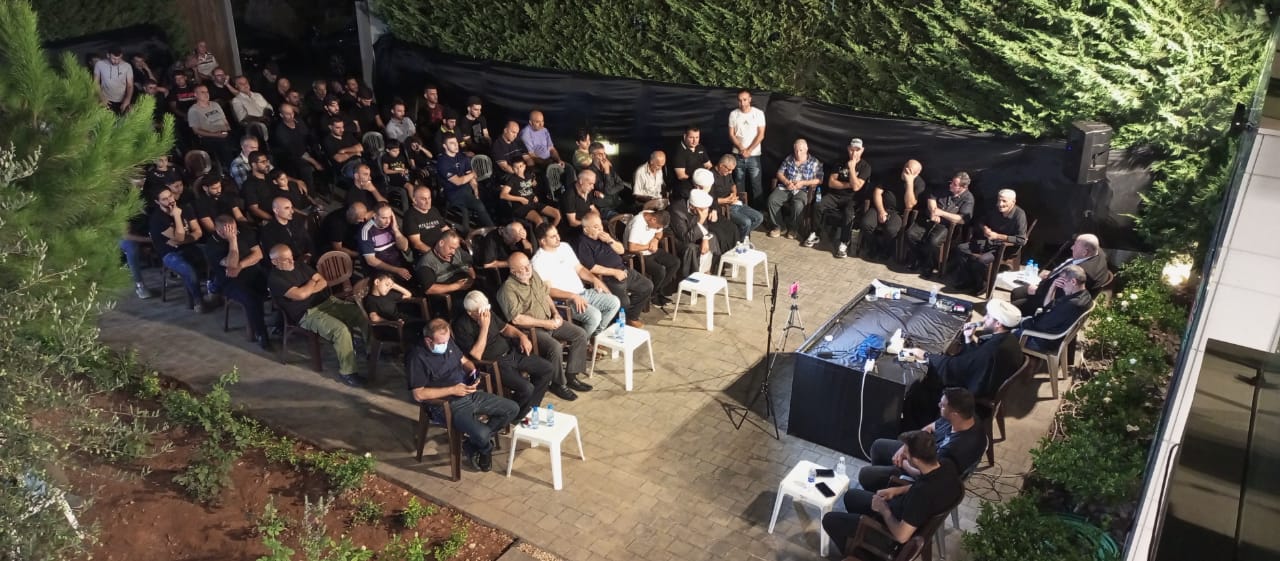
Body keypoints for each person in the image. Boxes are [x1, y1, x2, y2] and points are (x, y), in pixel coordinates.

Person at [821, 430, 963, 556]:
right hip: (900, 510)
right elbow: (921, 483)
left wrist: (883, 509)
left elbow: (902, 536)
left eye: (906, 454)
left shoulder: (922, 495)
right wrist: (897, 490)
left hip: (891, 537)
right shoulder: (945, 465)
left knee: (829, 520)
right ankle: (858, 530)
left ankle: (859, 553)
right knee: (851, 497)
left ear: (916, 459)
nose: (904, 455)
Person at [406, 319, 519, 472]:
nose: (445, 345)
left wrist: (473, 373)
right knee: (482, 433)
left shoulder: (448, 343)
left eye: (447, 341)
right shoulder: (417, 357)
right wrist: (453, 390)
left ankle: (472, 443)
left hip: (468, 393)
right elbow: (418, 394)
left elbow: (465, 361)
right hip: (447, 405)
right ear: (428, 340)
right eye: (441, 343)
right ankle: (485, 448)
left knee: (512, 408)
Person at [901, 299, 1025, 427]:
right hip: (990, 382)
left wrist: (925, 355)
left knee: (920, 388)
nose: (984, 318)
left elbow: (955, 368)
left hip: (978, 393)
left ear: (998, 323)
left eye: (988, 317)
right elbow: (975, 360)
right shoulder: (1009, 339)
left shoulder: (991, 351)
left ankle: (914, 426)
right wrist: (968, 338)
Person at [268, 244, 370, 387]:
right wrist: (312, 282)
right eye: (286, 260)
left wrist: (308, 289)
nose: (291, 261)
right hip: (307, 313)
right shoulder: (275, 279)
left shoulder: (300, 265)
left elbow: (322, 281)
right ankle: (348, 372)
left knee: (362, 314)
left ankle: (371, 352)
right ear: (274, 262)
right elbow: (301, 295)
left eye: (291, 257)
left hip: (327, 302)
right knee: (340, 330)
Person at [497, 252, 592, 399]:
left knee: (580, 334)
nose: (527, 270)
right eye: (522, 268)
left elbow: (546, 294)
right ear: (513, 271)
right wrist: (545, 324)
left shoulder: (533, 275)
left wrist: (555, 313)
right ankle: (558, 384)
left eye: (528, 265)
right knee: (555, 347)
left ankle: (572, 376)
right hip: (532, 330)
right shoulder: (508, 289)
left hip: (549, 320)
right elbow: (517, 319)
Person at [858, 388, 986, 492]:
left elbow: (923, 473)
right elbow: (930, 428)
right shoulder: (964, 417)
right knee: (878, 446)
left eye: (942, 406)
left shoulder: (954, 450)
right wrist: (906, 447)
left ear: (955, 415)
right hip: (921, 454)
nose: (939, 405)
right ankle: (881, 484)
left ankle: (883, 491)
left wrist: (903, 460)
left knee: (865, 475)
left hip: (923, 478)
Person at [453, 291, 554, 422]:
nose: (485, 313)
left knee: (547, 369)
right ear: (470, 313)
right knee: (526, 388)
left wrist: (521, 336)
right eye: (481, 311)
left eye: (487, 308)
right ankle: (515, 415)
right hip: (494, 364)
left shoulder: (488, 313)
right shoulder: (462, 326)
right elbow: (476, 355)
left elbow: (505, 328)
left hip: (512, 353)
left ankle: (528, 410)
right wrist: (484, 327)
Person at [531, 223, 621, 339]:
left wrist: (594, 280)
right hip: (565, 301)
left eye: (557, 234)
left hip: (583, 292)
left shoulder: (564, 247)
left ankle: (595, 337)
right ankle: (584, 343)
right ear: (543, 241)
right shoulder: (538, 261)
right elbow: (548, 291)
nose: (558, 238)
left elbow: (580, 269)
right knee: (595, 316)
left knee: (614, 302)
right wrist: (572, 296)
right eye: (553, 236)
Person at [207, 215, 272, 351]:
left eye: (234, 229)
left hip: (253, 273)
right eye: (229, 231)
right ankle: (261, 333)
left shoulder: (245, 231)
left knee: (277, 286)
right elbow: (231, 264)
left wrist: (241, 266)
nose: (234, 232)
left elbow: (258, 254)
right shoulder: (213, 244)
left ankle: (281, 324)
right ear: (219, 231)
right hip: (230, 282)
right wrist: (233, 241)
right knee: (252, 299)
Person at [577, 213, 653, 327]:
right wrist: (614, 272)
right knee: (624, 302)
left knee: (647, 286)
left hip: (623, 269)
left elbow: (621, 250)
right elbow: (591, 267)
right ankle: (615, 326)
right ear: (586, 230)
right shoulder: (582, 243)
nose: (600, 229)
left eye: (600, 225)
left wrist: (610, 240)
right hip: (607, 277)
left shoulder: (604, 237)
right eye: (595, 227)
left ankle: (631, 317)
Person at [949, 189, 1027, 293]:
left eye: (1004, 201)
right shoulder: (994, 209)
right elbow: (980, 221)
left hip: (1004, 248)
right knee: (961, 249)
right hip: (989, 242)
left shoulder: (1019, 215)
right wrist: (985, 229)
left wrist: (998, 236)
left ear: (1013, 201)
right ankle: (967, 280)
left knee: (981, 260)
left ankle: (982, 285)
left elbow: (1021, 239)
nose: (1000, 204)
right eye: (999, 200)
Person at [1011, 233, 1108, 316]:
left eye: (1075, 246)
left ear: (1085, 252)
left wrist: (1038, 290)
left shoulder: (1082, 273)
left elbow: (1061, 294)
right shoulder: (1096, 252)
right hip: (1050, 286)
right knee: (1017, 292)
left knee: (1015, 301)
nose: (1071, 248)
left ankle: (1020, 322)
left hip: (1050, 301)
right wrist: (1052, 274)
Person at [808, 138, 872, 257]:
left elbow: (856, 188)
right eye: (852, 150)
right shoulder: (839, 163)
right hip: (835, 195)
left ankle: (844, 243)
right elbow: (831, 183)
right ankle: (815, 233)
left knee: (848, 213)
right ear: (848, 149)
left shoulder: (865, 167)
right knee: (818, 204)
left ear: (862, 150)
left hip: (852, 199)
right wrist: (849, 184)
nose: (854, 153)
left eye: (857, 150)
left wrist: (852, 168)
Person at [906, 172, 975, 276]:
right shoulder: (944, 187)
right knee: (910, 234)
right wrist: (933, 211)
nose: (951, 185)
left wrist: (942, 213)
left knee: (933, 242)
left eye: (954, 184)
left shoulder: (968, 199)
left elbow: (962, 219)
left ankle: (929, 265)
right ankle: (918, 258)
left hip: (947, 225)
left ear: (963, 187)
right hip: (930, 218)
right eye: (951, 182)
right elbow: (931, 198)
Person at [149, 187, 206, 312]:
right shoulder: (157, 219)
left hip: (190, 246)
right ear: (157, 202)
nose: (170, 200)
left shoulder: (185, 208)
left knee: (214, 256)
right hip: (169, 253)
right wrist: (176, 216)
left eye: (170, 196)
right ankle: (198, 300)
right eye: (165, 199)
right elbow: (180, 237)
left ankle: (215, 291)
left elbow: (198, 232)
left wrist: (185, 240)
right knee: (188, 270)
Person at [1017, 265, 1093, 352]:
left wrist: (1021, 323)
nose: (1062, 286)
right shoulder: (1085, 296)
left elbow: (1040, 325)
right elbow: (1047, 306)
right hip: (1049, 335)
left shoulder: (1071, 304)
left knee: (1006, 330)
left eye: (1063, 281)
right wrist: (1052, 287)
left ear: (1073, 281)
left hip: (1039, 340)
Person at [862, 159, 924, 259]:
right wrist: (881, 211)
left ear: (916, 174)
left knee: (892, 230)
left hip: (897, 213)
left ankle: (886, 250)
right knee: (866, 223)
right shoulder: (891, 174)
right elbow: (877, 192)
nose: (906, 171)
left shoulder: (919, 183)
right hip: (880, 206)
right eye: (906, 168)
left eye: (910, 171)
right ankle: (874, 247)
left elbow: (909, 205)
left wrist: (909, 183)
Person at [770, 138, 823, 240]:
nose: (798, 153)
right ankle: (779, 226)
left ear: (806, 149)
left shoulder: (815, 162)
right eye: (796, 150)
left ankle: (793, 229)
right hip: (787, 187)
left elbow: (819, 180)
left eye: (801, 150)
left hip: (803, 189)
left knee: (798, 205)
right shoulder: (789, 158)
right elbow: (779, 173)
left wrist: (803, 183)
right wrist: (786, 182)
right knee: (772, 200)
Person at [437, 136, 494, 231]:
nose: (456, 145)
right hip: (453, 193)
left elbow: (470, 175)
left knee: (487, 197)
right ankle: (491, 230)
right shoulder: (443, 162)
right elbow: (458, 181)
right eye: (452, 143)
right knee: (477, 206)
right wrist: (473, 174)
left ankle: (488, 226)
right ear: (445, 146)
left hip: (467, 189)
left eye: (456, 142)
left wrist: (475, 189)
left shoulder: (462, 157)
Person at [625, 209, 679, 305]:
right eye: (657, 226)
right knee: (660, 271)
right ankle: (653, 295)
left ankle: (656, 292)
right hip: (638, 255)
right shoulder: (638, 223)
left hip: (651, 250)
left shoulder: (652, 215)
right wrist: (648, 246)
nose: (657, 228)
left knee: (675, 262)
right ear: (653, 220)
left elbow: (659, 232)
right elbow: (631, 247)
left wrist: (655, 240)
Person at [709, 155, 764, 242]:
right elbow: (710, 199)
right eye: (729, 169)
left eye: (732, 170)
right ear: (721, 166)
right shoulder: (710, 176)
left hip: (735, 203)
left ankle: (738, 236)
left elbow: (733, 185)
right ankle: (740, 242)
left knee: (759, 217)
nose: (730, 172)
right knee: (746, 222)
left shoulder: (726, 173)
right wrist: (726, 200)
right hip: (724, 207)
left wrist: (734, 194)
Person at [668, 189, 719, 276]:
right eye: (703, 210)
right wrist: (701, 221)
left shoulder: (700, 208)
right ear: (692, 207)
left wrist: (705, 239)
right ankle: (695, 276)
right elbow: (686, 238)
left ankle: (707, 270)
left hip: (693, 234)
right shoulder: (676, 211)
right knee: (691, 247)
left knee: (712, 237)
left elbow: (705, 226)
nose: (705, 212)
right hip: (679, 241)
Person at [415, 230, 476, 301]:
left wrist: (472, 279)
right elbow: (429, 289)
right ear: (441, 243)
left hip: (470, 291)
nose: (453, 252)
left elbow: (469, 266)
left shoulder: (458, 252)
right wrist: (457, 286)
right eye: (451, 248)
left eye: (455, 248)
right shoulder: (427, 263)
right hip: (450, 298)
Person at [728, 89, 767, 202]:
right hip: (738, 155)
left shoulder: (758, 113)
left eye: (745, 100)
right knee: (739, 184)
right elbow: (731, 134)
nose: (742, 103)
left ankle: (758, 210)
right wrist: (741, 148)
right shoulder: (733, 114)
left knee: (756, 184)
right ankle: (741, 208)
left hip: (754, 155)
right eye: (740, 100)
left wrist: (749, 150)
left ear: (750, 99)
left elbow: (761, 135)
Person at [358, 203, 413, 282]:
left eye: (390, 217)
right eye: (384, 218)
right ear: (375, 216)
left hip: (399, 264)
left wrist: (395, 230)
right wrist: (396, 270)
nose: (387, 221)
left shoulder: (392, 224)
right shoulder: (366, 231)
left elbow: (404, 247)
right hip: (381, 271)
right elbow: (371, 261)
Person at [500, 156, 560, 226]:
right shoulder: (512, 180)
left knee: (557, 214)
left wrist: (534, 195)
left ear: (524, 166)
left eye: (520, 166)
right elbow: (503, 195)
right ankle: (543, 232)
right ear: (513, 168)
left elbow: (529, 187)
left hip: (533, 203)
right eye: (516, 168)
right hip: (521, 207)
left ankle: (550, 231)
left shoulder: (528, 176)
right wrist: (520, 199)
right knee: (539, 221)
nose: (518, 169)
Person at [187, 84, 234, 166]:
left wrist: (228, 130)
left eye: (207, 92)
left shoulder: (215, 104)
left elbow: (224, 120)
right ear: (196, 95)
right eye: (202, 92)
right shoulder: (193, 110)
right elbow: (196, 131)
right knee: (224, 145)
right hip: (209, 136)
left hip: (223, 132)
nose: (206, 94)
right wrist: (216, 134)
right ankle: (230, 167)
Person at [259, 197, 314, 266]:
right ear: (276, 210)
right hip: (289, 265)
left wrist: (309, 254)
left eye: (291, 207)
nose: (292, 211)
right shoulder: (267, 231)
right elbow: (275, 255)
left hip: (308, 259)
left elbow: (308, 240)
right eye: (287, 208)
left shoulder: (297, 222)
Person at [403, 186, 451, 259]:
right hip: (427, 254)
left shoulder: (433, 210)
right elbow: (417, 244)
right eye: (423, 199)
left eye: (429, 198)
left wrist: (459, 241)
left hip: (442, 248)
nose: (428, 202)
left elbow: (445, 229)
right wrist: (437, 255)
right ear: (415, 200)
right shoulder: (410, 216)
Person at [586, 141, 630, 217]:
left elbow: (620, 185)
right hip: (603, 207)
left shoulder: (608, 167)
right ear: (592, 156)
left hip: (617, 203)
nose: (604, 157)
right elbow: (607, 190)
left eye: (604, 153)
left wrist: (606, 193)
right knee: (618, 218)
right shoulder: (589, 172)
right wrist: (607, 172)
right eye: (600, 154)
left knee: (634, 213)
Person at [671, 126, 711, 202]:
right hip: (686, 186)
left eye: (697, 137)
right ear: (685, 136)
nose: (694, 141)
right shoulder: (679, 152)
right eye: (691, 138)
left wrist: (704, 179)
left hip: (701, 183)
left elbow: (708, 165)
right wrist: (697, 181)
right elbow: (681, 176)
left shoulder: (700, 147)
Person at [559, 169, 600, 240]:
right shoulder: (569, 196)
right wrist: (590, 225)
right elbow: (572, 222)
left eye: (593, 184)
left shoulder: (587, 190)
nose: (593, 187)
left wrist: (596, 220)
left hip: (588, 223)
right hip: (576, 230)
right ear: (581, 181)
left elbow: (593, 208)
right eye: (590, 184)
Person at [94, 46, 133, 114]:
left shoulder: (127, 66)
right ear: (108, 55)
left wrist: (127, 100)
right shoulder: (99, 64)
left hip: (122, 101)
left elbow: (130, 85)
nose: (116, 61)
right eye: (114, 59)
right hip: (106, 100)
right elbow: (95, 83)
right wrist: (101, 97)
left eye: (119, 58)